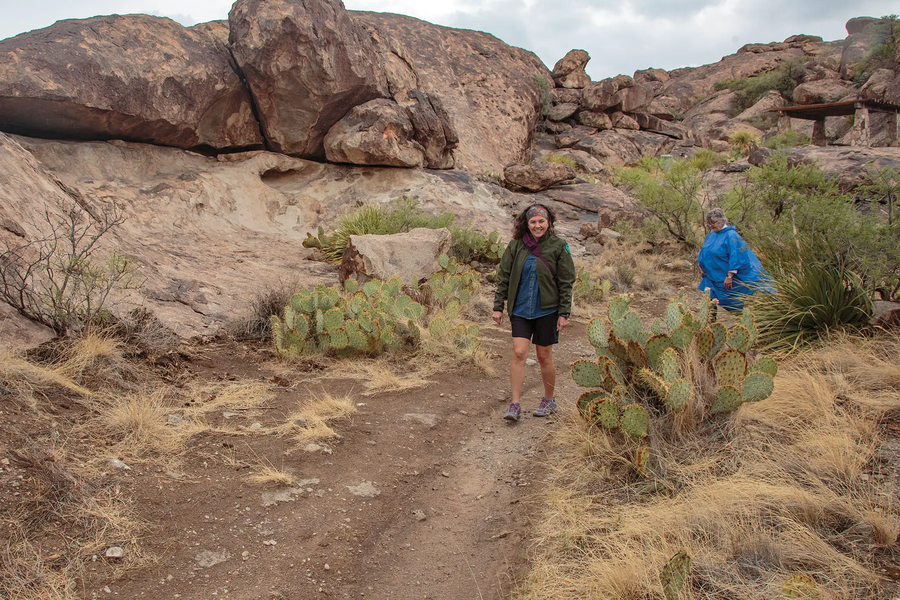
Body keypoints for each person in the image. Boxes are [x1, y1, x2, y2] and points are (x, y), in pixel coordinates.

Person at [492, 204, 576, 422]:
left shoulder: (559, 246)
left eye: (541, 221)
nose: (537, 225)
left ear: (548, 223)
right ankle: (515, 403)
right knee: (519, 353)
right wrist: (498, 306)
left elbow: (566, 281)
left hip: (547, 310)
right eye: (533, 222)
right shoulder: (516, 246)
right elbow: (505, 277)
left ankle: (549, 399)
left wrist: (564, 312)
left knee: (543, 356)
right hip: (520, 309)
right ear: (526, 224)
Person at [697, 208, 768, 312]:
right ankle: (710, 322)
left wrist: (729, 276)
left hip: (724, 276)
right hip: (711, 276)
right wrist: (701, 266)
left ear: (722, 221)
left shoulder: (731, 235)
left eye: (714, 223)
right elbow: (704, 251)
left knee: (732, 301)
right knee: (709, 300)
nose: (711, 226)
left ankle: (741, 319)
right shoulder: (711, 235)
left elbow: (736, 255)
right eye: (709, 223)